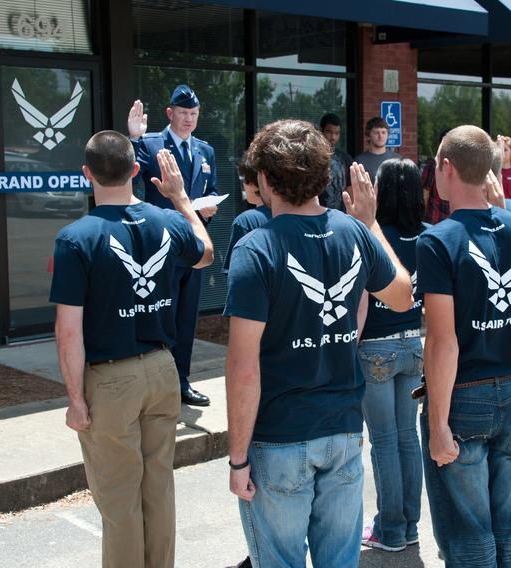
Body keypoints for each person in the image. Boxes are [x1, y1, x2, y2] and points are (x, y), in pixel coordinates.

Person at [224, 119, 413, 568]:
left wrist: (236, 460)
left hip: (280, 438)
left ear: (266, 180)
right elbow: (404, 295)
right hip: (343, 433)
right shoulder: (353, 234)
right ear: (325, 178)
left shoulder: (255, 249)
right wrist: (370, 225)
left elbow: (242, 367)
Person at [51, 131, 213, 567]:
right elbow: (206, 254)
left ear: (87, 175)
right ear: (137, 171)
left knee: (120, 499)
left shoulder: (75, 239)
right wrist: (180, 199)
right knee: (157, 488)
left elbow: (68, 330)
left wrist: (75, 400)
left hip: (111, 378)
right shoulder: (169, 222)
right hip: (161, 369)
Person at [416, 125, 511, 566]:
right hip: (510, 390)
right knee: (506, 526)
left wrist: (437, 424)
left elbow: (442, 340)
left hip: (463, 396)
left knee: (469, 533)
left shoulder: (438, 239)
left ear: (446, 168)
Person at [127, 85, 218, 407]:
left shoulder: (205, 151)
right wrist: (135, 137)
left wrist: (209, 208)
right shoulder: (152, 144)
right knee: (160, 317)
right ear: (170, 113)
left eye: (193, 114)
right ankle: (156, 385)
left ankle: (181, 381)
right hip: (160, 249)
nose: (188, 120)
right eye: (183, 113)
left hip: (192, 247)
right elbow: (130, 172)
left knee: (185, 319)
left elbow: (213, 188)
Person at [357, 158, 429, 552]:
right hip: (413, 344)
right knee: (407, 439)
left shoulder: (370, 234)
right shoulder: (429, 236)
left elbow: (360, 301)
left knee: (384, 441)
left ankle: (390, 528)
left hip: (375, 349)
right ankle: (409, 525)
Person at [222, 140, 272, 274]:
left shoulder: (246, 221)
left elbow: (235, 275)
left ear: (259, 181)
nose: (243, 183)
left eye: (246, 178)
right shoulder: (291, 215)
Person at [319, 113, 352, 211]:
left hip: (340, 214)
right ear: (321, 131)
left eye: (337, 133)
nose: (333, 137)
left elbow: (350, 189)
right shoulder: (313, 157)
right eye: (329, 132)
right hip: (316, 214)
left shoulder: (345, 158)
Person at [354, 116, 402, 183]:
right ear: (368, 136)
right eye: (376, 133)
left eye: (383, 132)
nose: (380, 136)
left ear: (388, 135)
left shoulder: (398, 159)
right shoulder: (359, 161)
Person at [423, 130, 451, 224]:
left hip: (441, 220)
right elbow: (425, 194)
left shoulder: (460, 165)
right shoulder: (433, 165)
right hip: (436, 220)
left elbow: (425, 194)